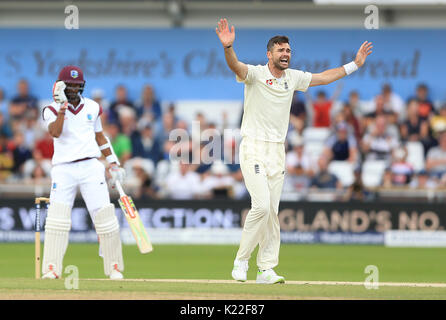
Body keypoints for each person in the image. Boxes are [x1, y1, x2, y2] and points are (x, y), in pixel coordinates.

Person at [216, 18, 372, 284]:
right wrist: (228, 47)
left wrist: (354, 65)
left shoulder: (294, 78)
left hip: (277, 150)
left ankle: (265, 269)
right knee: (262, 207)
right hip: (253, 145)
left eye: (288, 50)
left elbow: (324, 78)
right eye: (280, 50)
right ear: (270, 54)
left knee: (272, 213)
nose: (285, 54)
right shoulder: (255, 74)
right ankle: (241, 261)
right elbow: (235, 65)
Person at [41, 65, 126, 280]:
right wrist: (62, 108)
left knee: (105, 217)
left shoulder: (93, 107)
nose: (73, 89)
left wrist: (113, 162)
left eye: (77, 85)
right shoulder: (50, 109)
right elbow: (56, 132)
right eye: (69, 85)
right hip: (63, 168)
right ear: (60, 86)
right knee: (57, 219)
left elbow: (100, 137)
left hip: (90, 166)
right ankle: (51, 269)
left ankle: (114, 267)